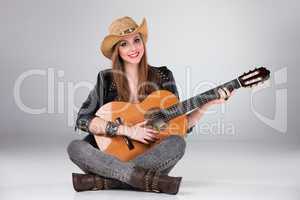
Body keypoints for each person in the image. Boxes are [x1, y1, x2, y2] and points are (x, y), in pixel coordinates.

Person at [67, 16, 233, 195]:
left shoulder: (163, 76)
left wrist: (205, 106)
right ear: (117, 51)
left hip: (149, 155)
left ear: (143, 43)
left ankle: (105, 180)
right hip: (110, 154)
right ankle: (145, 180)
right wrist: (128, 131)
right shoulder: (106, 78)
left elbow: (180, 125)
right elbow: (83, 120)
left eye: (136, 40)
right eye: (124, 44)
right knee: (76, 147)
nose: (133, 48)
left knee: (177, 143)